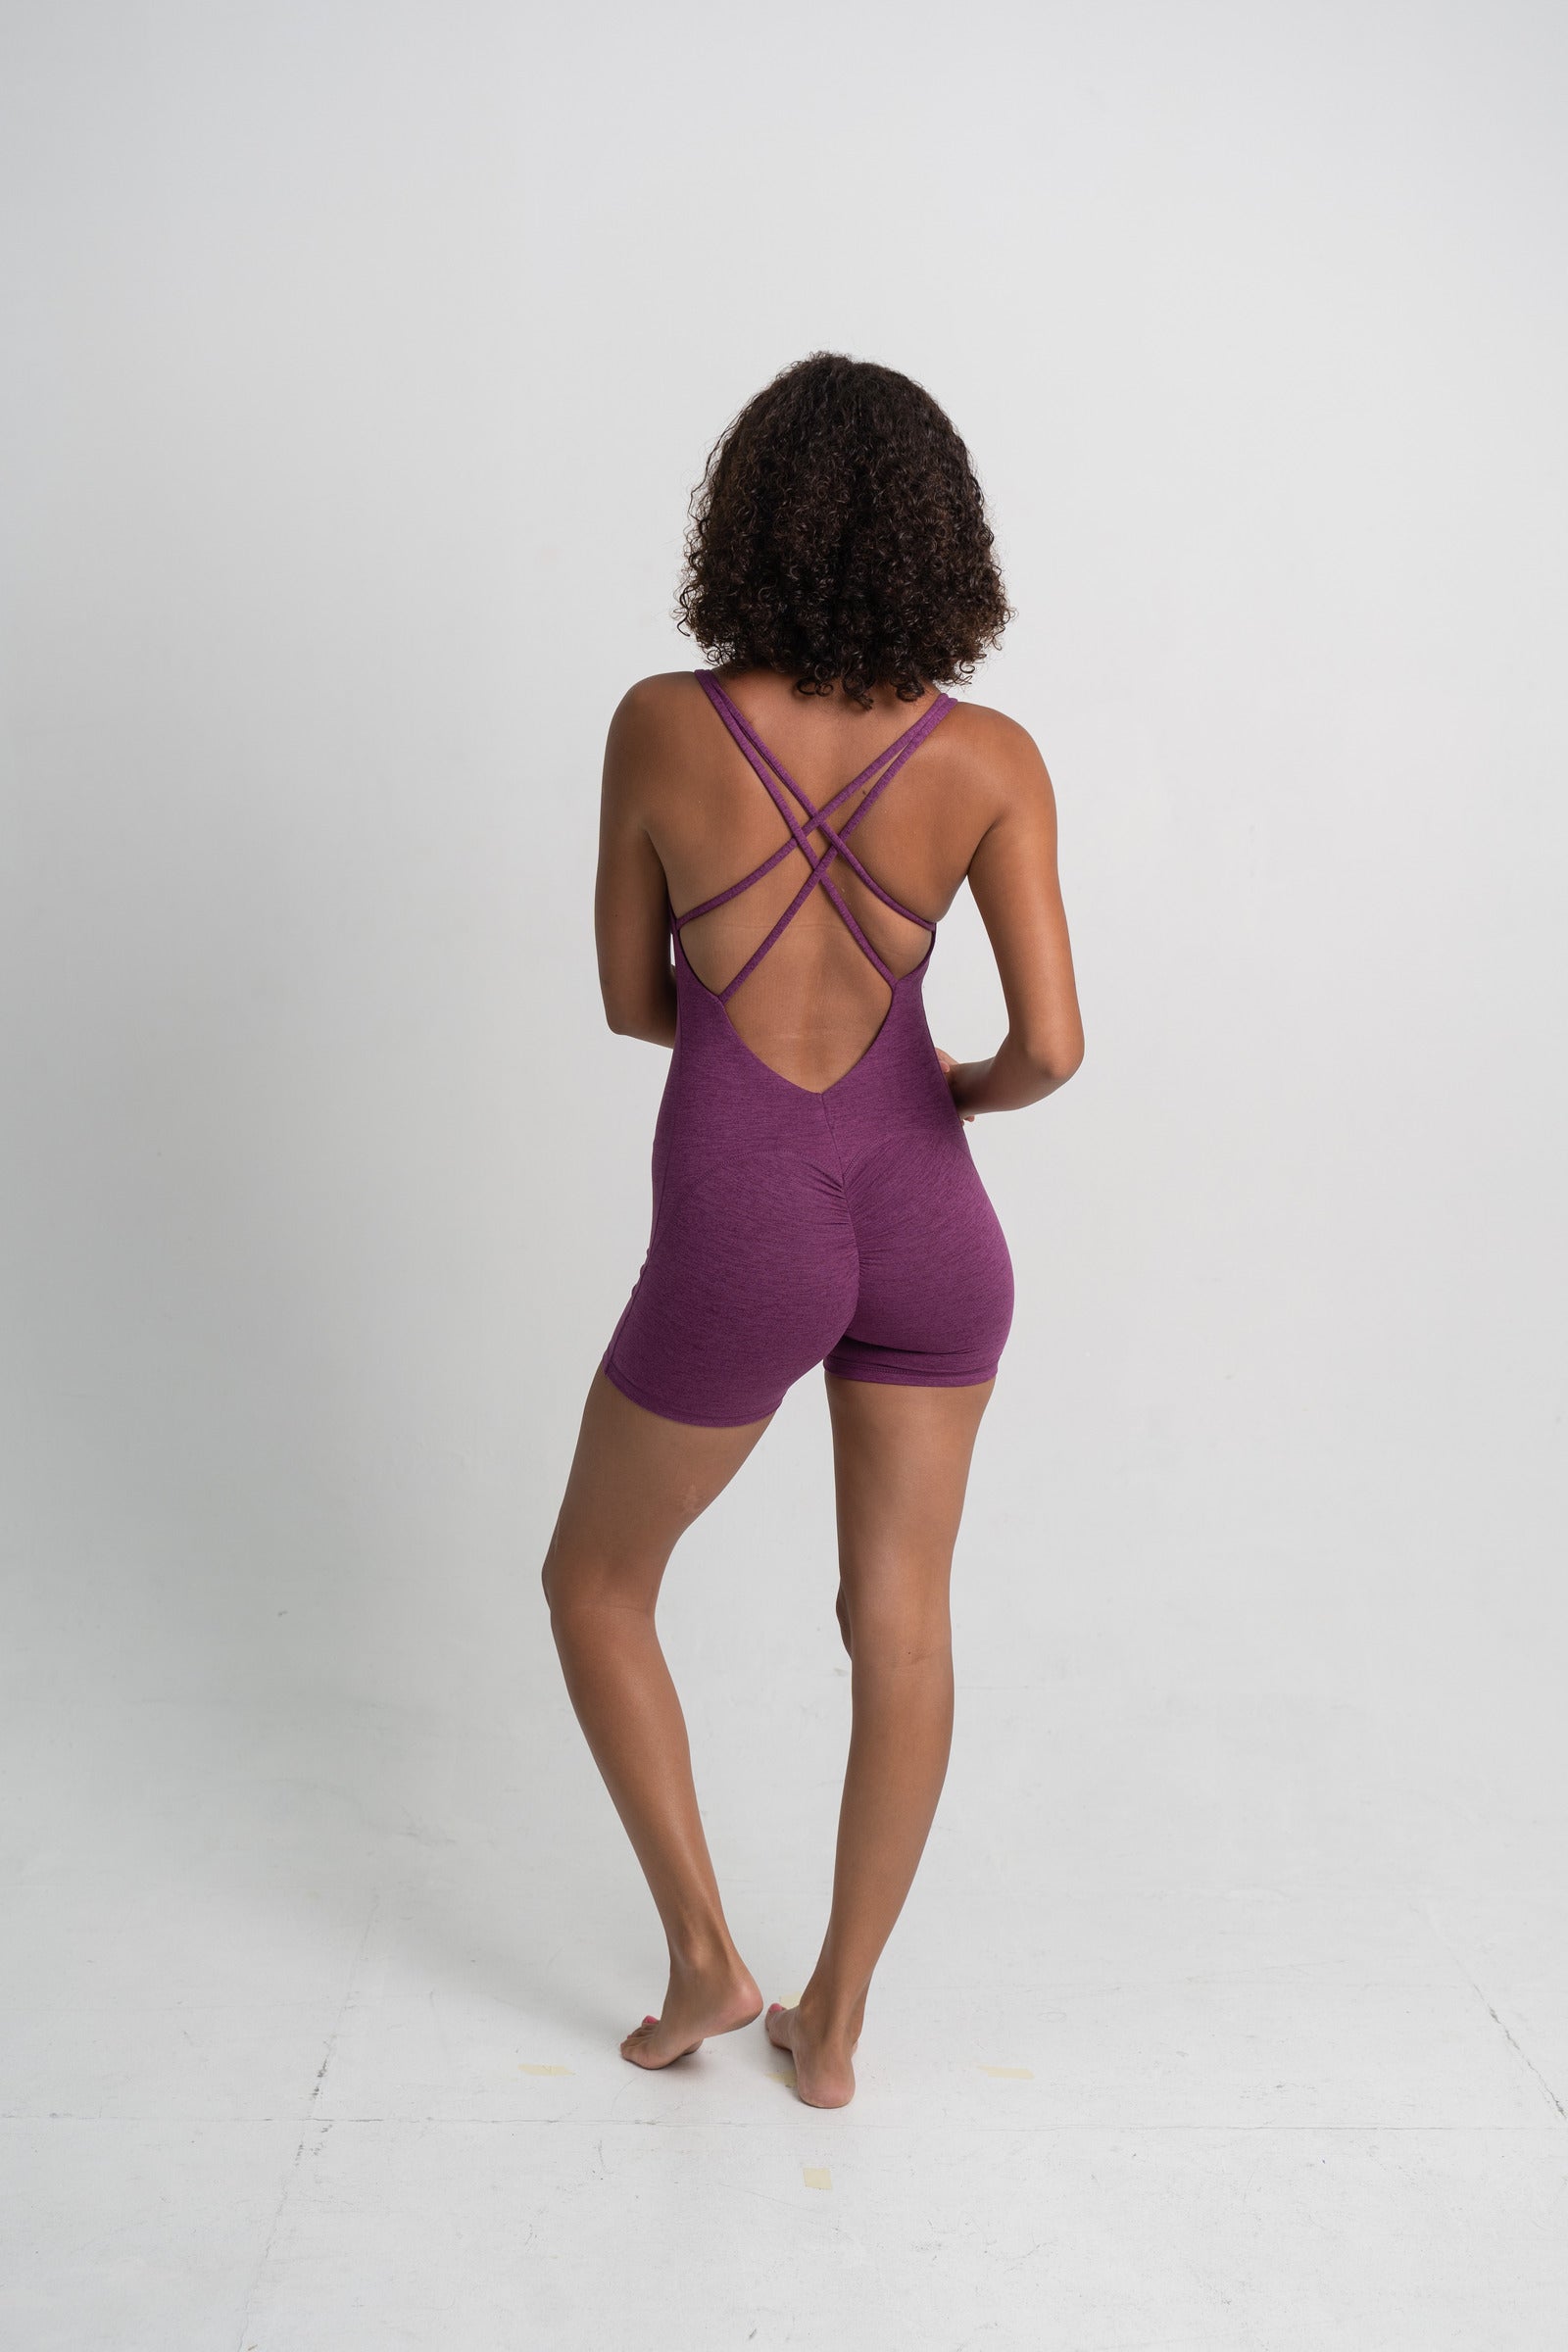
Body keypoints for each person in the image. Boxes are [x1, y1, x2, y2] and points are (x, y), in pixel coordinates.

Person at [542, 353, 1084, 2109]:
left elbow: (633, 1002)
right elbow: (1054, 1047)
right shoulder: (990, 758)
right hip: (933, 1218)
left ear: (748, 522)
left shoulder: (659, 724)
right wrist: (956, 1094)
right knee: (901, 1617)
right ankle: (836, 2022)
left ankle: (709, 1957)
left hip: (743, 1208)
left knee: (594, 1583)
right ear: (941, 538)